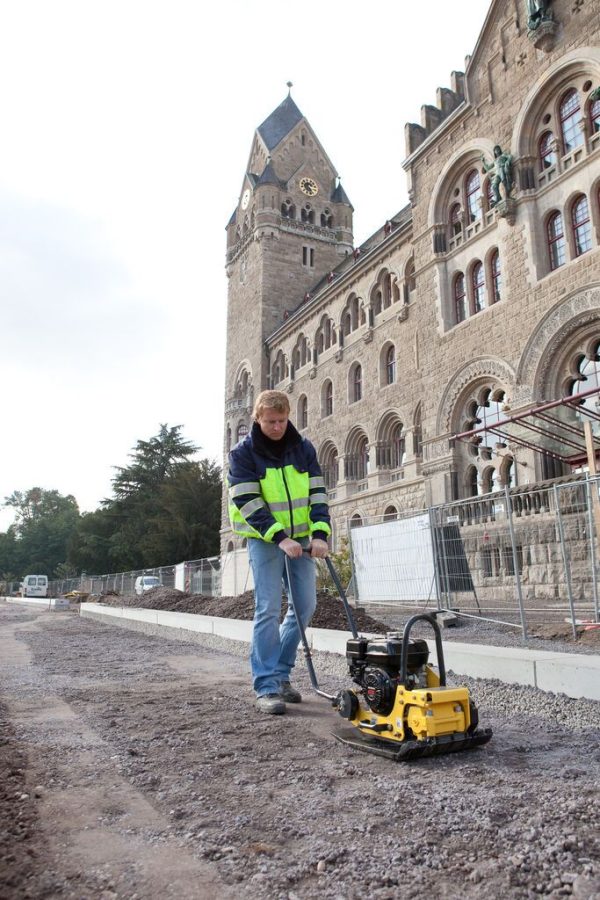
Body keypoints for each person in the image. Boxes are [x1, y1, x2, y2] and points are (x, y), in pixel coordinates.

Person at [227, 389, 330, 715]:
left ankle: (282, 673)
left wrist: (320, 533)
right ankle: (267, 686)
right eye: (270, 421)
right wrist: (279, 537)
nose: (277, 427)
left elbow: (317, 493)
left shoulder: (303, 448)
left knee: (305, 606)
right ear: (258, 419)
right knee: (268, 607)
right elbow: (247, 502)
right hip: (265, 539)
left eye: (282, 420)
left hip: (301, 537)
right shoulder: (243, 455)